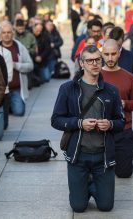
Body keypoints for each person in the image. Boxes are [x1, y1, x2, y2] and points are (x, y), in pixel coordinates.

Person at [51, 45, 124, 212]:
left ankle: (91, 186)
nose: (94, 64)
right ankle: (83, 188)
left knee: (106, 207)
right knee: (78, 207)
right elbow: (55, 120)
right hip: (78, 155)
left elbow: (120, 121)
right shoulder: (68, 89)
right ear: (81, 63)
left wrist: (110, 124)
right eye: (89, 60)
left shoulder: (111, 91)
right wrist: (79, 123)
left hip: (103, 156)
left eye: (97, 60)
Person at [101, 39, 133, 178]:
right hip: (100, 131)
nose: (110, 58)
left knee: (124, 173)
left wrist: (124, 104)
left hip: (123, 130)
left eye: (113, 54)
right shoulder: (96, 76)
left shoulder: (129, 77)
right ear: (102, 54)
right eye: (106, 54)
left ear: (119, 54)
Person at [0, 21, 34, 117]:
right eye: (4, 33)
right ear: (0, 34)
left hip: (16, 89)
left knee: (19, 112)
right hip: (1, 89)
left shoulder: (19, 46)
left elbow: (30, 66)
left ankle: (11, 105)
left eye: (9, 32)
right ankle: (8, 105)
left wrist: (16, 65)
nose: (6, 35)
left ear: (13, 33)